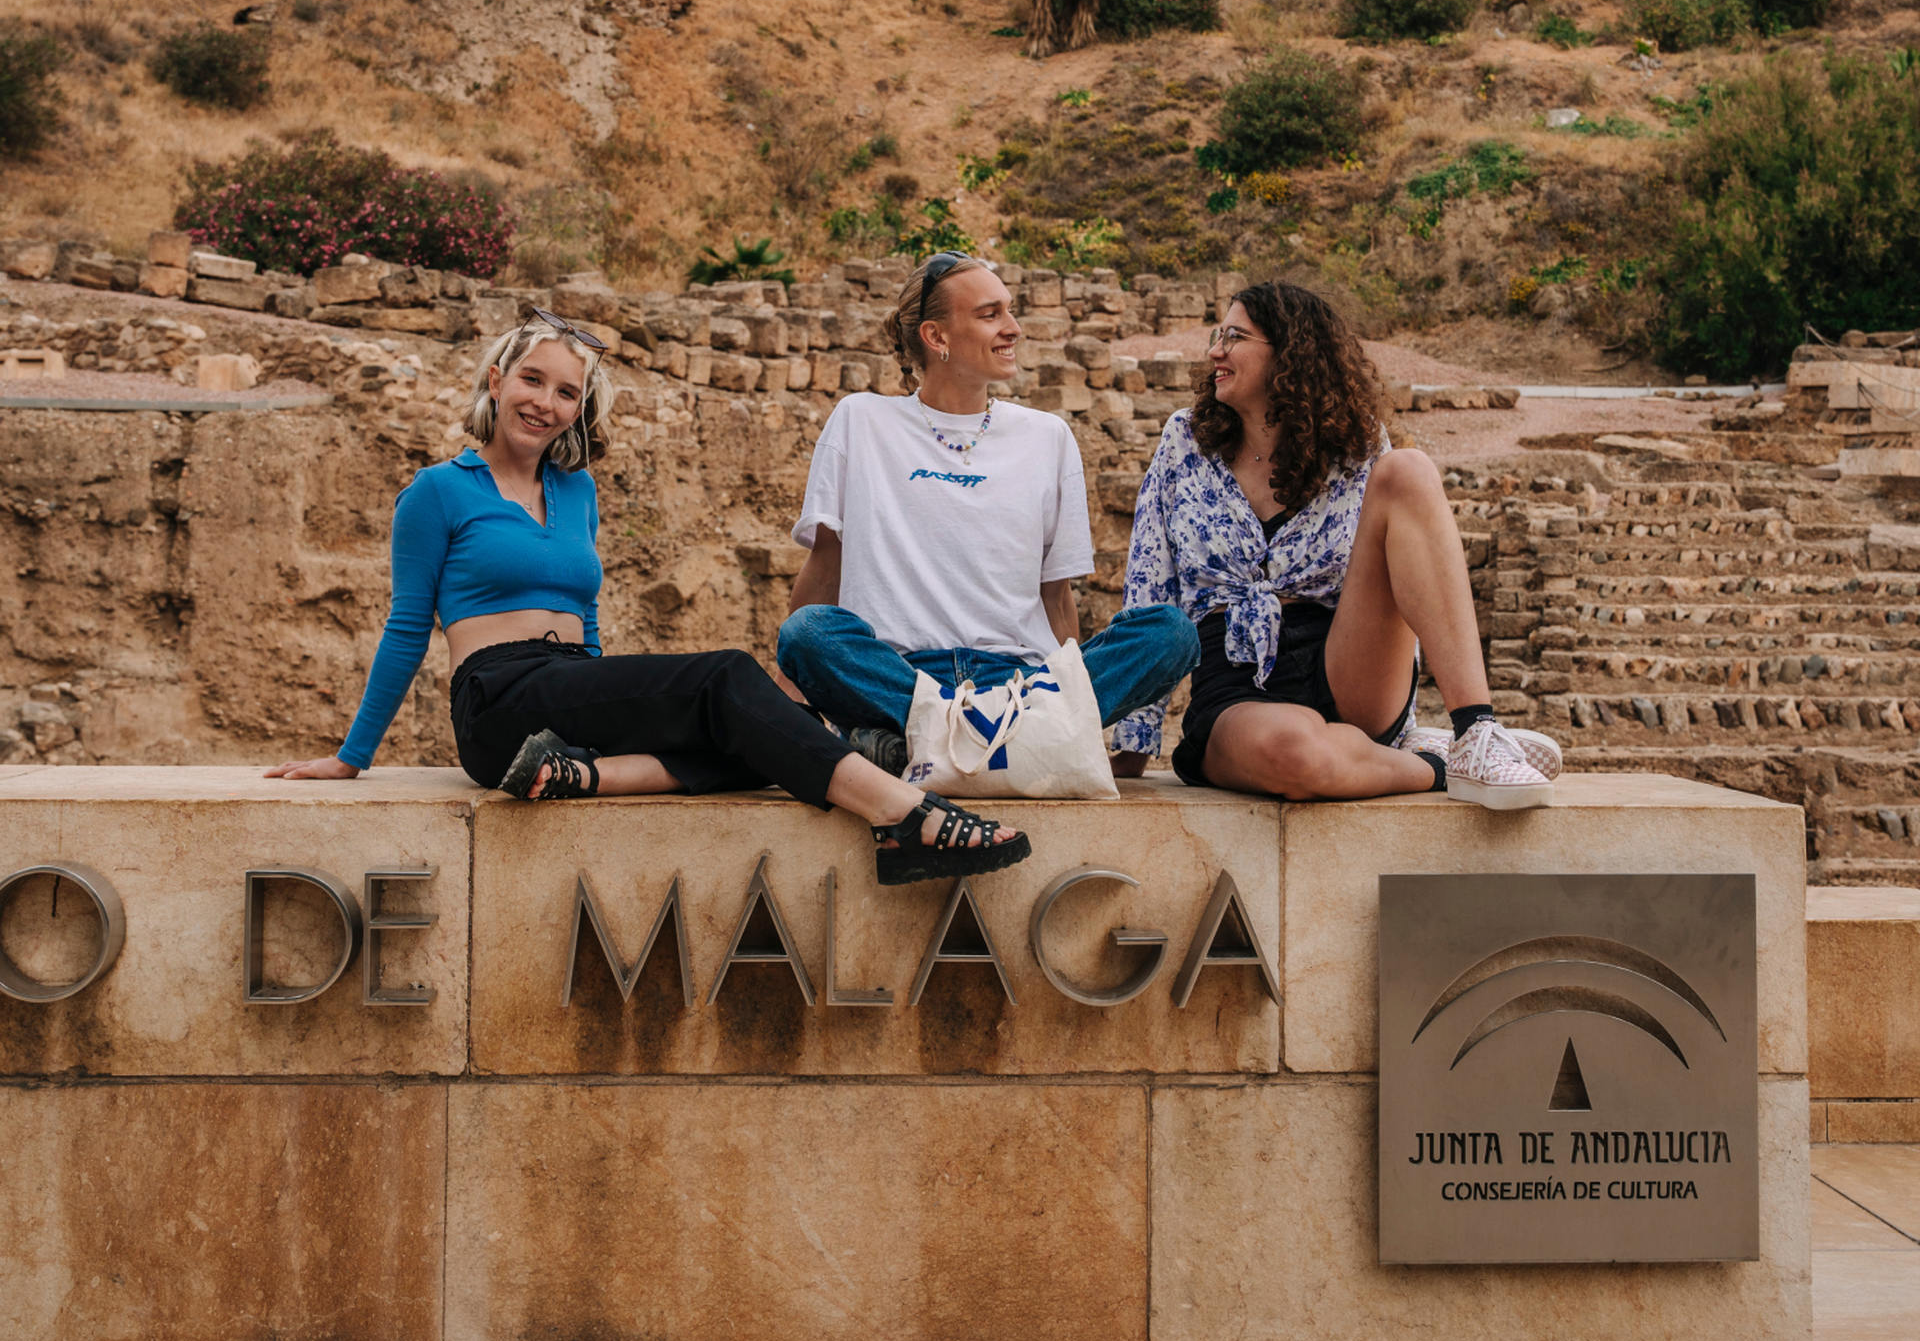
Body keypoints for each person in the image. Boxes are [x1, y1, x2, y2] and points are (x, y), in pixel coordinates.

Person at [265, 311, 1030, 885]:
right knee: (729, 678)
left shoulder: (577, 491)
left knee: (778, 731)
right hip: (497, 697)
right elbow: (406, 628)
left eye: (567, 392)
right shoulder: (437, 492)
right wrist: (351, 757)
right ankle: (904, 818)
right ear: (496, 381)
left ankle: (578, 775)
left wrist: (607, 705)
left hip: (563, 696)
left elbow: (587, 621)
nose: (546, 402)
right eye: (532, 380)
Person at [1112, 278, 1561, 809]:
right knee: (1298, 755)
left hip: (1347, 660)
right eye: (1218, 334)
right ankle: (1436, 763)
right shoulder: (1184, 440)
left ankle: (1476, 730)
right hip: (1233, 681)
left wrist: (1402, 711)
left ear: (1289, 355)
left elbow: (1401, 577)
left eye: (1234, 336)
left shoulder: (1359, 443)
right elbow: (1150, 582)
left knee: (1409, 472)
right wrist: (1130, 745)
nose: (1215, 351)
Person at [776, 252, 1198, 771]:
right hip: (899, 676)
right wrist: (785, 706)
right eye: (990, 314)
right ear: (937, 337)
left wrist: (1073, 698)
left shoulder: (1048, 437)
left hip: (1022, 683)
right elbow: (825, 568)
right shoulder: (860, 421)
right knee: (806, 633)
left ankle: (925, 743)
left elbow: (1055, 595)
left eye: (1011, 311)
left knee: (1171, 632)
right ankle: (1009, 742)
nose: (1013, 328)